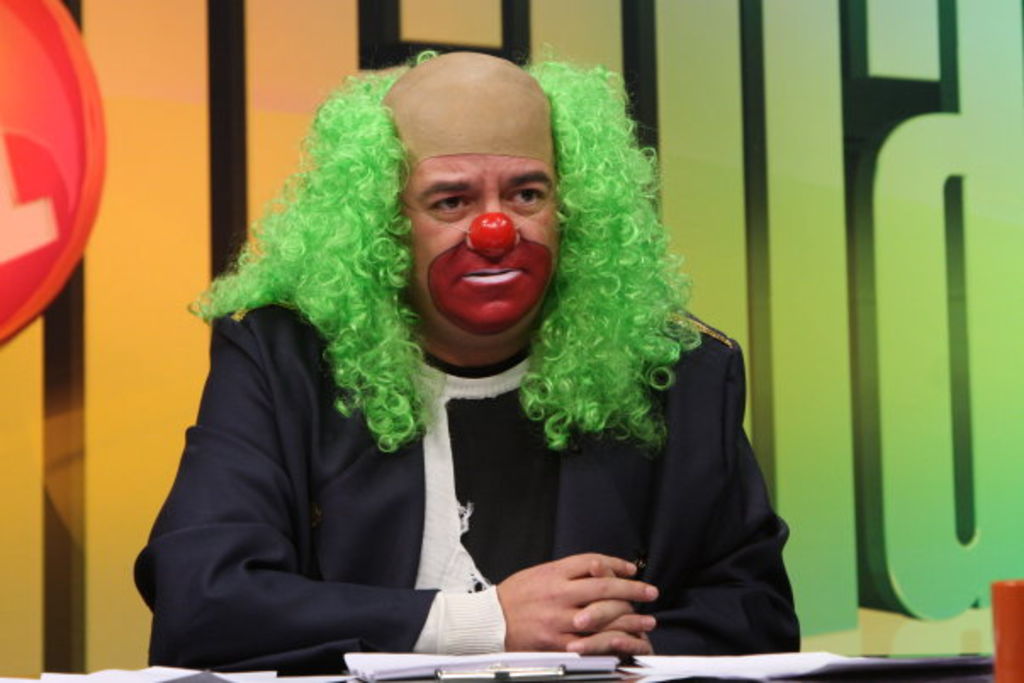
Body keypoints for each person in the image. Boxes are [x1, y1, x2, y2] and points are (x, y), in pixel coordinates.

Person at [135, 52, 799, 674]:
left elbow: (756, 615)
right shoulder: (285, 359)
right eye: (451, 201)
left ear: (571, 208)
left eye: (527, 194)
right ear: (385, 221)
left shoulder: (678, 370)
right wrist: (485, 624)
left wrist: (606, 646)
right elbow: (203, 601)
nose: (496, 231)